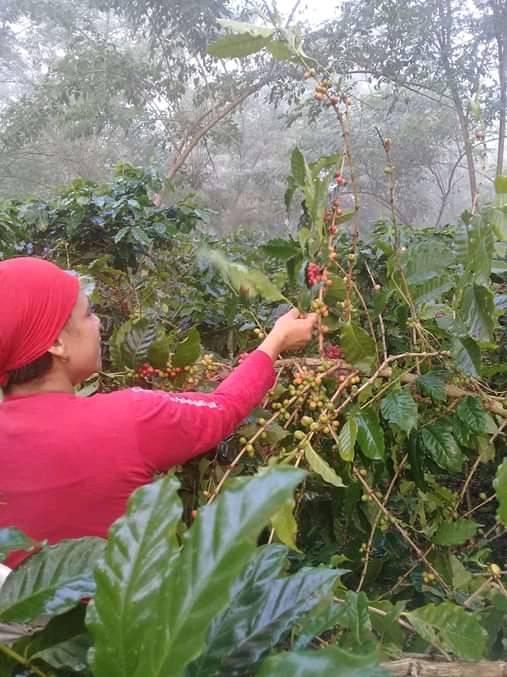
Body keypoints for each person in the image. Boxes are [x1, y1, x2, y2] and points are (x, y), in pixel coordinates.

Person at [0, 257, 317, 568]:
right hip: (123, 619)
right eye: (89, 314)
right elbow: (223, 409)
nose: (98, 323)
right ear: (56, 342)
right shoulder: (131, 417)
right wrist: (274, 343)